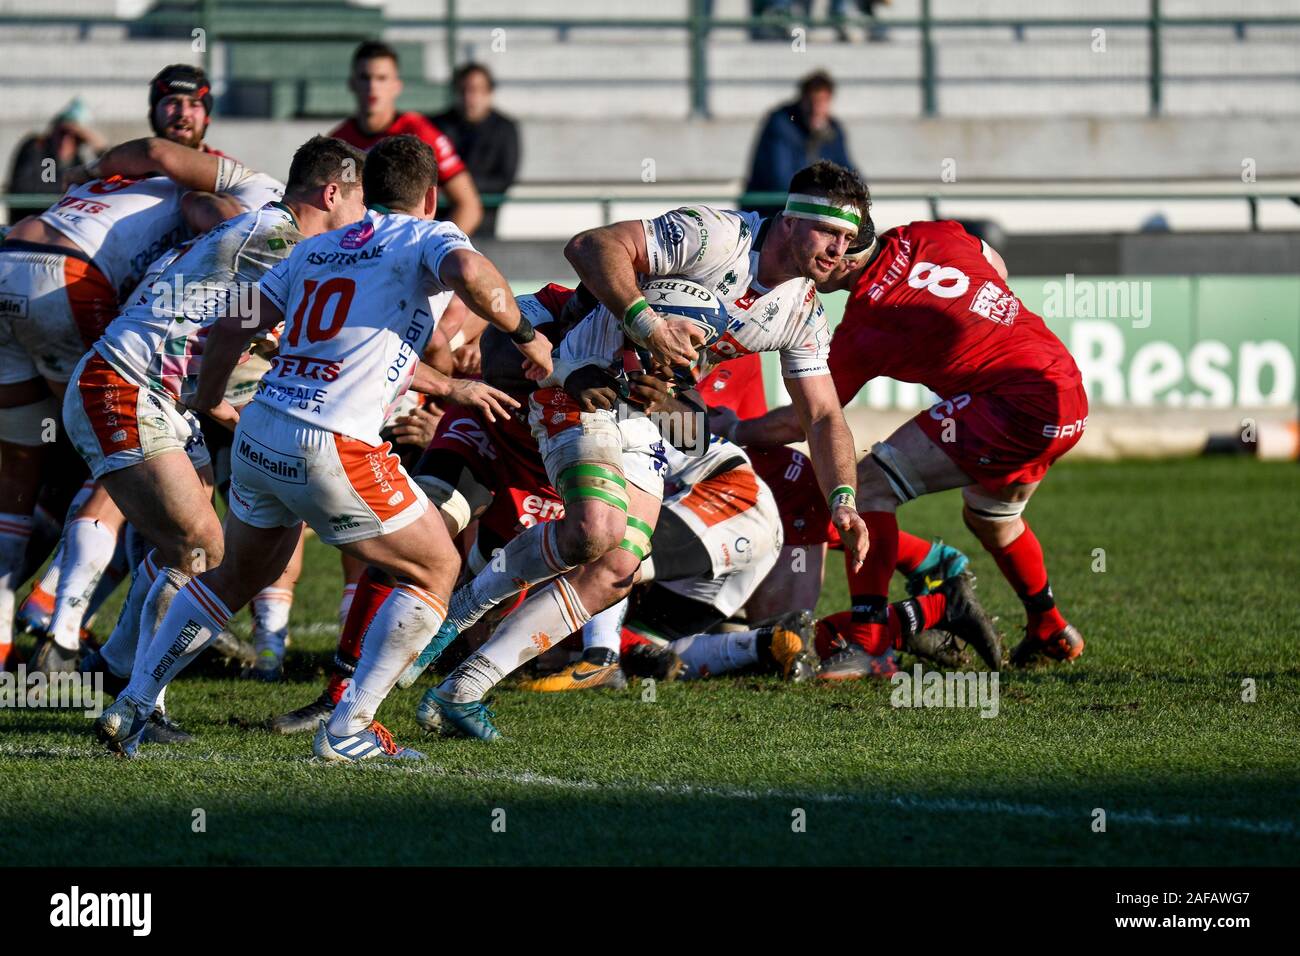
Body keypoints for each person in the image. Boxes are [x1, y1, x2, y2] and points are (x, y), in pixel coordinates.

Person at [94, 135, 550, 760]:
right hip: (332, 442)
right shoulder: (427, 235)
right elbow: (472, 273)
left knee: (234, 576)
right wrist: (527, 337)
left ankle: (134, 702)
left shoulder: (321, 246)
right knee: (436, 567)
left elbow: (233, 324)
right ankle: (349, 729)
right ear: (431, 196)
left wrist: (204, 398)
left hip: (261, 432)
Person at [414, 161, 872, 741]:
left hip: (639, 414)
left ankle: (465, 687)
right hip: (577, 375)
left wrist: (844, 499)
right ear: (788, 221)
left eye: (848, 240)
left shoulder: (801, 312)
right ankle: (458, 611)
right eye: (829, 232)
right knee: (592, 529)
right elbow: (589, 246)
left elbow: (824, 414)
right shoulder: (719, 235)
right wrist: (647, 326)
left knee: (616, 568)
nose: (839, 250)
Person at [714, 206, 1087, 674]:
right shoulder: (926, 233)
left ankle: (869, 642)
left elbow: (808, 419)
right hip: (1065, 389)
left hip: (1010, 403)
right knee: (993, 518)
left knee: (868, 485)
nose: (809, 266)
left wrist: (734, 429)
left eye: (822, 254)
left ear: (845, 257)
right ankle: (1049, 624)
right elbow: (994, 263)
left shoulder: (869, 317)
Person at [329, 40, 483, 236]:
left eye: (382, 78)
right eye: (365, 77)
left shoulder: (421, 133)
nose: (372, 86)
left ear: (397, 86)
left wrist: (435, 250)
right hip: (359, 255)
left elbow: (469, 206)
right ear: (352, 83)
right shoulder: (339, 143)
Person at [744, 72, 855, 221]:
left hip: (808, 215)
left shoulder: (832, 130)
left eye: (822, 102)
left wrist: (854, 193)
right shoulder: (780, 124)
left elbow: (848, 173)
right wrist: (823, 198)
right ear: (802, 99)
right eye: (812, 101)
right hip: (768, 216)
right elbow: (780, 180)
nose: (816, 109)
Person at [431, 63, 519, 238]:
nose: (469, 96)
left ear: (489, 93)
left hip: (484, 223)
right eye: (463, 89)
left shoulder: (505, 128)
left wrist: (458, 188)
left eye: (476, 89)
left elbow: (504, 178)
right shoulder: (437, 124)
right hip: (439, 220)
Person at [7, 99, 107, 219]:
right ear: (53, 131)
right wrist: (68, 182)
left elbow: (112, 168)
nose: (65, 140)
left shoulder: (77, 159)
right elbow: (26, 188)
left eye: (75, 137)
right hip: (28, 221)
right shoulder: (37, 147)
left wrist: (99, 146)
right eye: (62, 133)